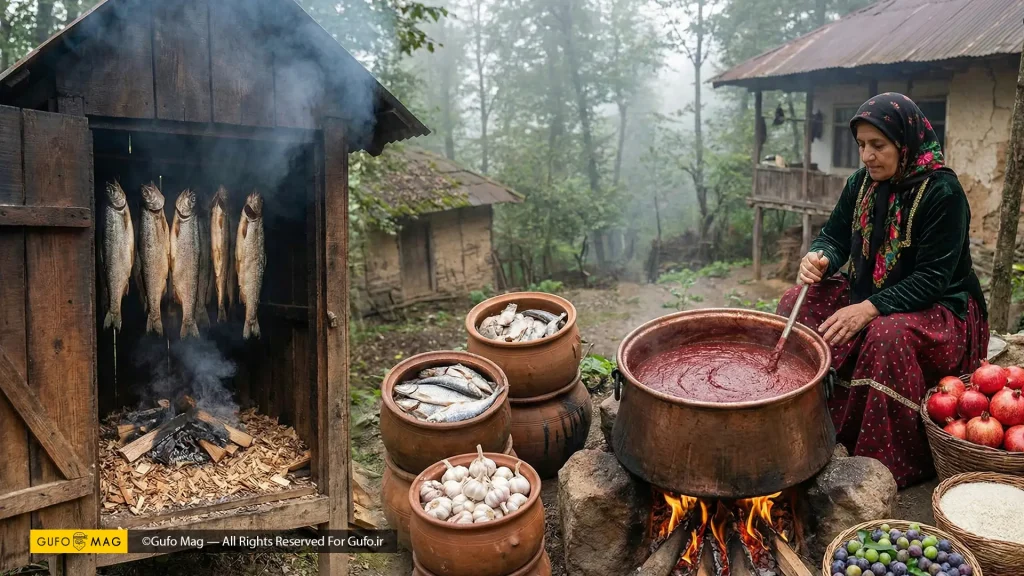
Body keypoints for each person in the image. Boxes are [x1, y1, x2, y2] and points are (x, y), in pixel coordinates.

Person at [776, 93, 989, 488]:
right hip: (869, 292)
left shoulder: (943, 194)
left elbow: (933, 279)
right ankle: (801, 418)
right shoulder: (861, 184)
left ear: (905, 142)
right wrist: (820, 257)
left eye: (878, 145)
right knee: (795, 301)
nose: (867, 156)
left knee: (886, 334)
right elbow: (835, 236)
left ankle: (880, 461)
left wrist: (871, 308)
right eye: (861, 145)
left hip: (939, 309)